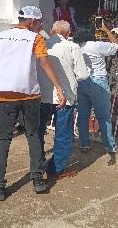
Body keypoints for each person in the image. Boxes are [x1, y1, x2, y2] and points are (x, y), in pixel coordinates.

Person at [0, 6, 67, 201]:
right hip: (29, 94)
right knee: (33, 135)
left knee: (3, 140)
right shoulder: (35, 38)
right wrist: (59, 88)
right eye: (39, 23)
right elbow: (44, 62)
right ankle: (38, 180)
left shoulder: (0, 36)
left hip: (5, 94)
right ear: (32, 21)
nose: (40, 27)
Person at [37, 20, 89, 179]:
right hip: (64, 97)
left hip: (43, 95)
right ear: (68, 33)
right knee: (64, 134)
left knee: (39, 131)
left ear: (52, 31)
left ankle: (38, 163)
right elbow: (83, 74)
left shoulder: (43, 45)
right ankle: (56, 168)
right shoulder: (72, 47)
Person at [74, 22, 118, 155]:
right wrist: (105, 29)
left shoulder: (75, 46)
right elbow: (117, 46)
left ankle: (84, 143)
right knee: (103, 117)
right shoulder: (96, 45)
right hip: (98, 81)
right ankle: (110, 146)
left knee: (83, 116)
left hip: (80, 81)